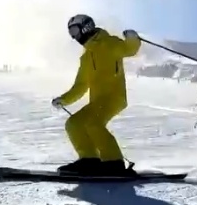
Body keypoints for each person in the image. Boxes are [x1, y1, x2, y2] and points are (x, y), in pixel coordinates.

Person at [51, 14, 141, 176]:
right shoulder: (86, 57)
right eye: (71, 33)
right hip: (97, 101)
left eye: (74, 31)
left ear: (85, 27)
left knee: (93, 123)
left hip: (114, 97)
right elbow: (81, 86)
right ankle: (89, 160)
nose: (74, 36)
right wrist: (64, 99)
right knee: (74, 123)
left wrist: (132, 38)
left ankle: (114, 163)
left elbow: (129, 49)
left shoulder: (109, 43)